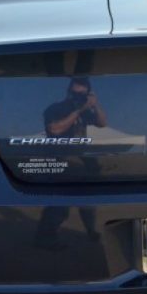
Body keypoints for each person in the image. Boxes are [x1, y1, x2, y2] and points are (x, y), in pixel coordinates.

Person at [35, 77, 107, 250]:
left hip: (82, 161)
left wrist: (95, 104)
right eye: (75, 94)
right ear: (68, 92)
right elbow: (55, 129)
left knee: (88, 201)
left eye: (82, 94)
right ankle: (45, 238)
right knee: (61, 203)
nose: (78, 97)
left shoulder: (86, 111)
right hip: (59, 159)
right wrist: (78, 109)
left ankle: (90, 230)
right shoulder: (56, 108)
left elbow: (102, 123)